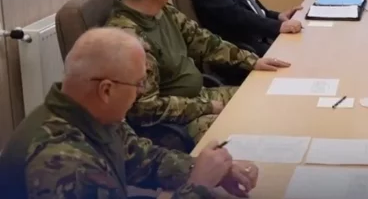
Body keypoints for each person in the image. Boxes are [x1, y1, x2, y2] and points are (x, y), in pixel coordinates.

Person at [0, 28, 259, 198]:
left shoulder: (91, 114)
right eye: (138, 83)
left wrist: (210, 169)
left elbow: (142, 158)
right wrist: (198, 186)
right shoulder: (63, 162)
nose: (142, 91)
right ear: (106, 90)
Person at [106, 0, 291, 142]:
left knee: (265, 99)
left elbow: (204, 41)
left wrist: (252, 61)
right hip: (179, 120)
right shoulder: (129, 40)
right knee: (248, 134)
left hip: (199, 96)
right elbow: (146, 109)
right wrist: (207, 107)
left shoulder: (162, 11)